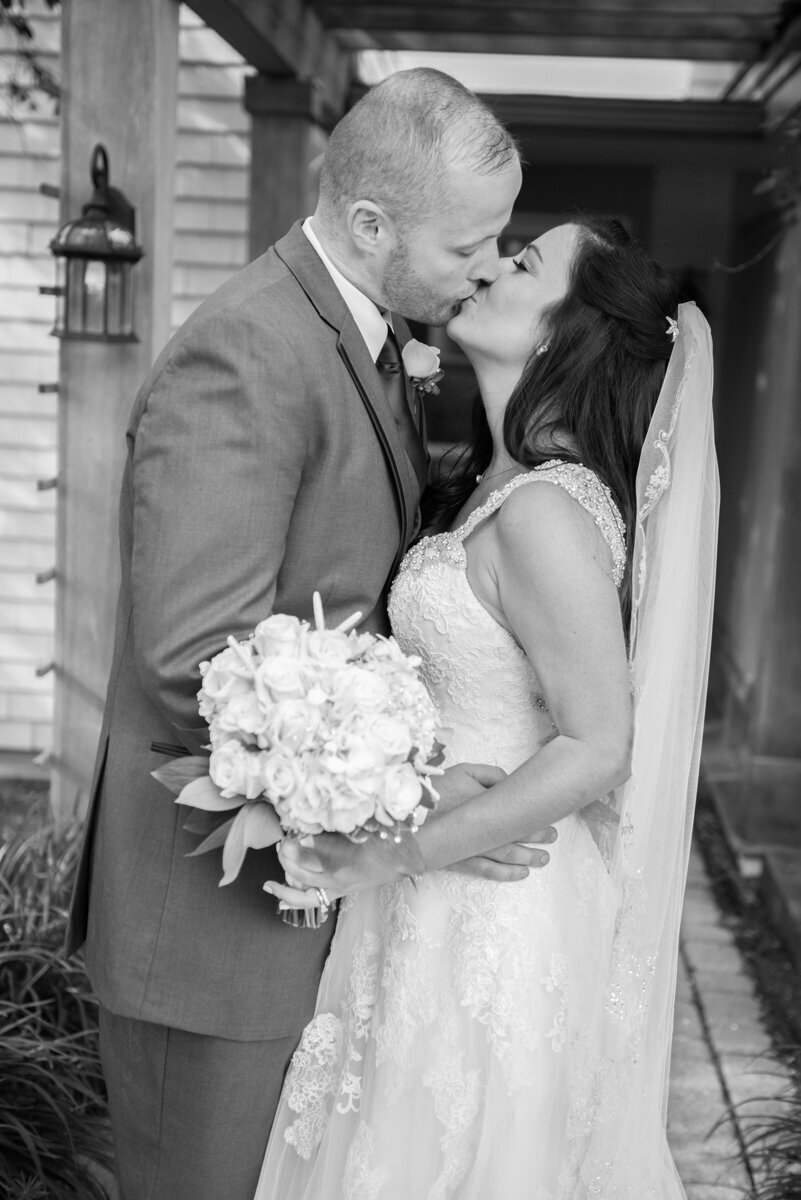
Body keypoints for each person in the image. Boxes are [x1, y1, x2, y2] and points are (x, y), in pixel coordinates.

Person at [65, 69, 560, 1200]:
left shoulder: (367, 334)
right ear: (370, 223)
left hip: (300, 905)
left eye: (503, 242)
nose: (488, 267)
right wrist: (423, 799)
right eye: (468, 245)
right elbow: (200, 657)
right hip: (206, 937)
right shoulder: (248, 352)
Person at [256, 216, 719, 1197]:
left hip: (496, 911)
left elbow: (600, 746)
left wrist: (401, 850)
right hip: (433, 885)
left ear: (561, 331)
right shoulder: (487, 488)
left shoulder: (548, 514)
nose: (490, 265)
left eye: (523, 261)